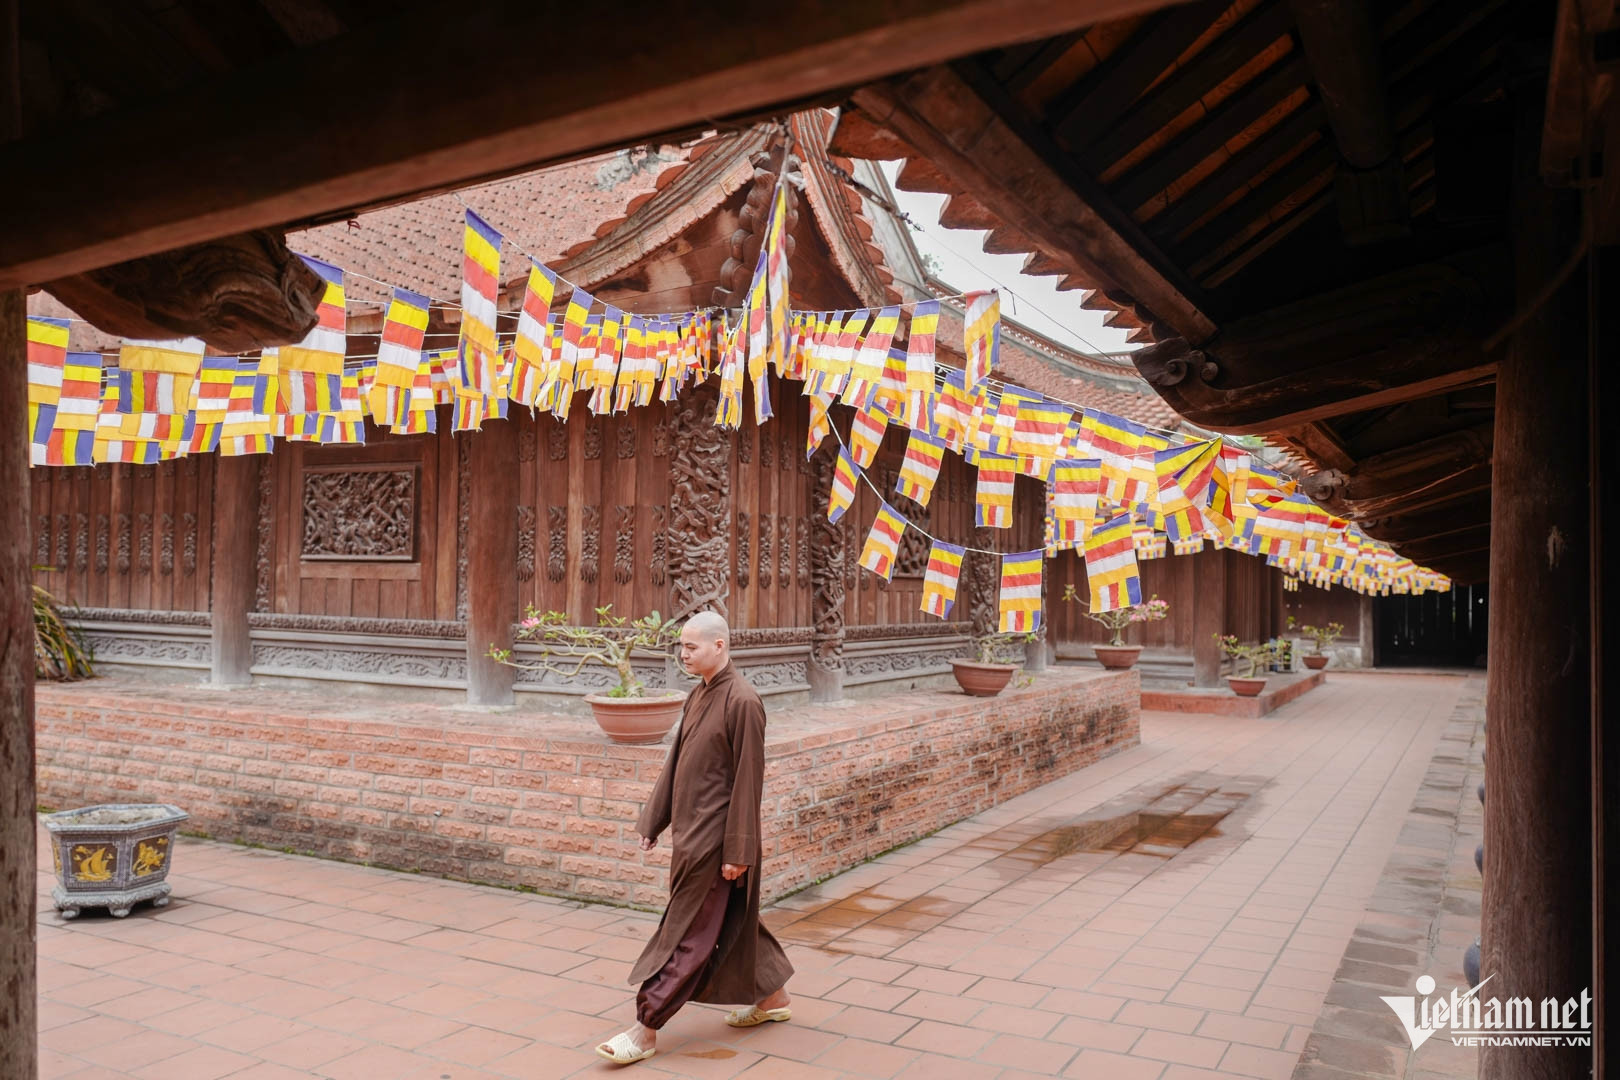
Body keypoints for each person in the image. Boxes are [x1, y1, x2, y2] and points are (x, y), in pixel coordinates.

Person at [595, 611, 795, 1065]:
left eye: (691, 647)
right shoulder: (698, 695)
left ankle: (645, 1028)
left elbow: (748, 782)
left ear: (719, 646)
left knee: (688, 932)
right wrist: (654, 820)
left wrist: (738, 850)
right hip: (690, 833)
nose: (683, 655)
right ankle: (772, 996)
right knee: (730, 921)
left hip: (717, 842)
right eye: (681, 647)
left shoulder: (743, 702)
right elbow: (677, 762)